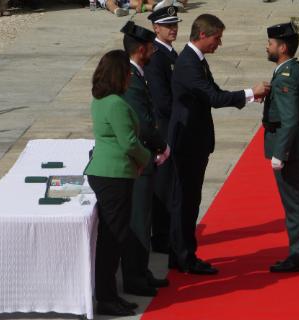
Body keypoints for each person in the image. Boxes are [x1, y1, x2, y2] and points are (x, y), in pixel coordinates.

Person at [167, 13, 270, 275]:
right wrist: (249, 92)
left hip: (195, 141)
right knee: (186, 201)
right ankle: (183, 256)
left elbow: (214, 92)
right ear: (202, 35)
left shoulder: (196, 60)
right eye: (217, 38)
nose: (219, 44)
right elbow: (213, 96)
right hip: (187, 143)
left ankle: (182, 254)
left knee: (190, 200)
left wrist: (246, 97)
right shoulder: (189, 63)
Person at [84, 49, 151, 316]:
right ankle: (107, 297)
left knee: (113, 237)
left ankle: (110, 294)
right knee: (113, 239)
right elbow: (129, 142)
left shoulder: (101, 100)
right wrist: (147, 157)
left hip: (108, 171)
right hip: (114, 174)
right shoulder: (116, 104)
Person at [118, 21, 171, 297]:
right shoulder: (132, 79)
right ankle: (134, 277)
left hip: (144, 158)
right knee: (138, 221)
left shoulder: (136, 75)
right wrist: (162, 145)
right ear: (142, 50)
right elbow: (142, 123)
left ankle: (141, 271)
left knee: (144, 217)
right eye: (150, 47)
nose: (153, 52)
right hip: (138, 161)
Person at [263, 22, 299, 272]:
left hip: (289, 151)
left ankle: (298, 257)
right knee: (296, 202)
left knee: (294, 204)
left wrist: (280, 152)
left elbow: (290, 118)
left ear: (282, 47)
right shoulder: (294, 70)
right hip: (296, 146)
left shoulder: (285, 75)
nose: (267, 46)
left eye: (271, 44)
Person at [144, 5, 182, 254]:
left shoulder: (169, 53)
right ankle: (161, 237)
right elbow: (162, 100)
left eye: (175, 24)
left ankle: (167, 233)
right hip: (166, 127)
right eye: (168, 25)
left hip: (172, 125)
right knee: (164, 184)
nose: (173, 29)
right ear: (155, 28)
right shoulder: (157, 57)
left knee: (171, 183)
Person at [99, 0, 177, 17]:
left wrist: (139, 5)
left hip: (124, 1)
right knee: (110, 3)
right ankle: (117, 10)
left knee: (144, 5)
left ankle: (160, 7)